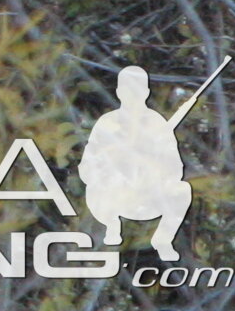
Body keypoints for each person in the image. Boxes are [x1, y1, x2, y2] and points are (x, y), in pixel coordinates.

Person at [81, 65, 194, 258]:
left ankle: (163, 240)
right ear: (118, 91)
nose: (132, 94)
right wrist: (113, 162)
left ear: (146, 92)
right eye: (127, 88)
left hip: (146, 196)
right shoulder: (107, 123)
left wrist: (153, 160)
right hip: (114, 197)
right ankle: (111, 227)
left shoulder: (157, 124)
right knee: (95, 188)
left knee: (182, 190)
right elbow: (87, 168)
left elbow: (176, 169)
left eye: (137, 89)